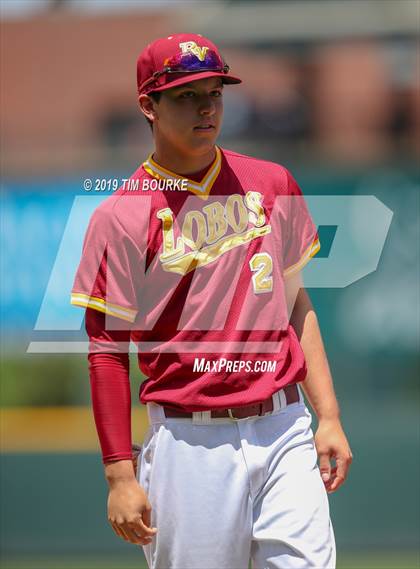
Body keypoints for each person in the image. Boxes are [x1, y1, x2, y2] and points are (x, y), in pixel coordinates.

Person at [71, 33, 352, 569]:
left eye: (215, 90)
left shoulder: (271, 182)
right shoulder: (121, 216)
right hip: (189, 442)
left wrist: (330, 416)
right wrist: (119, 474)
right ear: (148, 106)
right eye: (185, 95)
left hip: (283, 426)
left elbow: (295, 306)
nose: (206, 106)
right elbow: (106, 350)